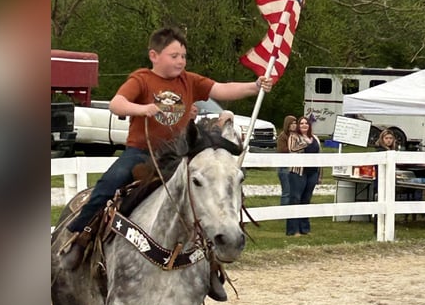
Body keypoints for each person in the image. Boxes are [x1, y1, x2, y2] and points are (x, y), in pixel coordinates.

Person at [58, 26, 273, 274]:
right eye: (174, 56)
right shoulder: (141, 79)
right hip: (142, 154)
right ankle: (79, 239)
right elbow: (117, 104)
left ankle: (211, 268)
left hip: (179, 157)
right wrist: (143, 109)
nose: (181, 61)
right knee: (109, 184)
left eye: (183, 56)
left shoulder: (189, 80)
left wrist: (255, 86)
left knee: (204, 203)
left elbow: (221, 89)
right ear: (154, 56)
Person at [286, 116, 321, 236]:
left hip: (312, 172)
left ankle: (305, 228)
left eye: (306, 123)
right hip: (298, 172)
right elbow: (292, 149)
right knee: (295, 199)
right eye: (301, 123)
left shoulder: (315, 138)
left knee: (306, 200)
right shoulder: (294, 137)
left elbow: (319, 156)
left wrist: (319, 175)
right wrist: (305, 144)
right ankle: (293, 229)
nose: (304, 125)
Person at [275, 115, 297, 206]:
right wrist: (294, 148)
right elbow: (281, 150)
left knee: (294, 191)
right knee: (286, 191)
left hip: (294, 167)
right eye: (292, 123)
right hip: (284, 167)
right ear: (287, 125)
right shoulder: (282, 136)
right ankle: (283, 210)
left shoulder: (297, 136)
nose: (294, 125)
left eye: (295, 123)